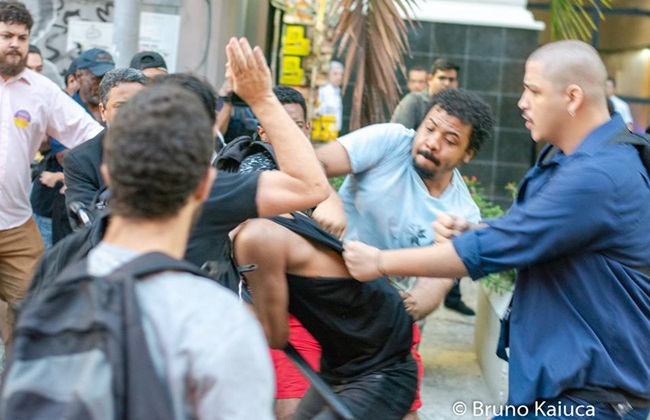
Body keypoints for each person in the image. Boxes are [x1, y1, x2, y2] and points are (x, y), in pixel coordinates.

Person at [343, 40, 650, 420]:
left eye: (533, 91)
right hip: (561, 395)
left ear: (572, 97)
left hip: (590, 402)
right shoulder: (573, 161)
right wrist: (477, 227)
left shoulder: (598, 175)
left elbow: (495, 247)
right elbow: (534, 234)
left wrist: (379, 260)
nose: (522, 102)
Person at [86, 82, 275, 419]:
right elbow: (310, 187)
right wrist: (262, 97)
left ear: (108, 175)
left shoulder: (58, 283)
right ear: (204, 184)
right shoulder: (221, 321)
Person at [315, 87, 493, 418]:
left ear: (468, 154)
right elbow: (316, 162)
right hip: (321, 291)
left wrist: (398, 309)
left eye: (450, 140)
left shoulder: (461, 214)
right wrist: (328, 198)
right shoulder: (392, 141)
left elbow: (432, 287)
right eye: (429, 128)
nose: (432, 142)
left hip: (384, 315)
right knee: (296, 403)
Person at [234, 212, 417, 419]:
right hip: (342, 367)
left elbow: (276, 336)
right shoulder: (277, 216)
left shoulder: (256, 235)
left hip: (381, 369)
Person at [0, 0, 102, 345]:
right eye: (6, 35)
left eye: (22, 37)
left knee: (36, 307)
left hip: (15, 224)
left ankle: (19, 380)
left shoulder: (42, 91)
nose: (15, 43)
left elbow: (91, 136)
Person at [64, 67, 149, 225]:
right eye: (121, 106)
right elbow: (88, 225)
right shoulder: (81, 161)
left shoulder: (170, 150)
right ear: (103, 112)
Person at [391, 57, 460, 130]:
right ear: (430, 79)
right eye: (442, 78)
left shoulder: (456, 107)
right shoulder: (414, 101)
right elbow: (398, 135)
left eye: (451, 80)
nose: (447, 83)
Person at [317, 60, 344, 132]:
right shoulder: (323, 90)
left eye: (341, 74)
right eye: (335, 74)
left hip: (334, 132)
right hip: (323, 132)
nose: (339, 77)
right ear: (328, 75)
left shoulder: (337, 90)